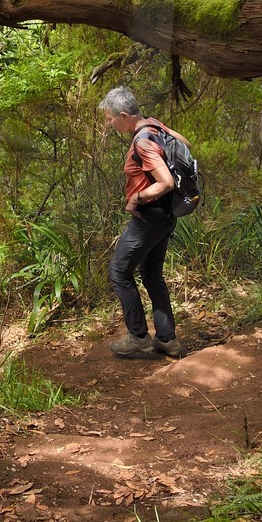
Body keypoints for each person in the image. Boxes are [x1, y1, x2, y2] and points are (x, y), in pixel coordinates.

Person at [99, 86, 186, 358]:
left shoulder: (143, 141)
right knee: (150, 275)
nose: (109, 124)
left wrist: (136, 197)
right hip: (166, 216)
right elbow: (186, 146)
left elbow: (166, 182)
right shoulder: (155, 126)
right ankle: (166, 339)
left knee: (119, 271)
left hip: (149, 216)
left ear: (124, 116)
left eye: (110, 119)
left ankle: (137, 336)